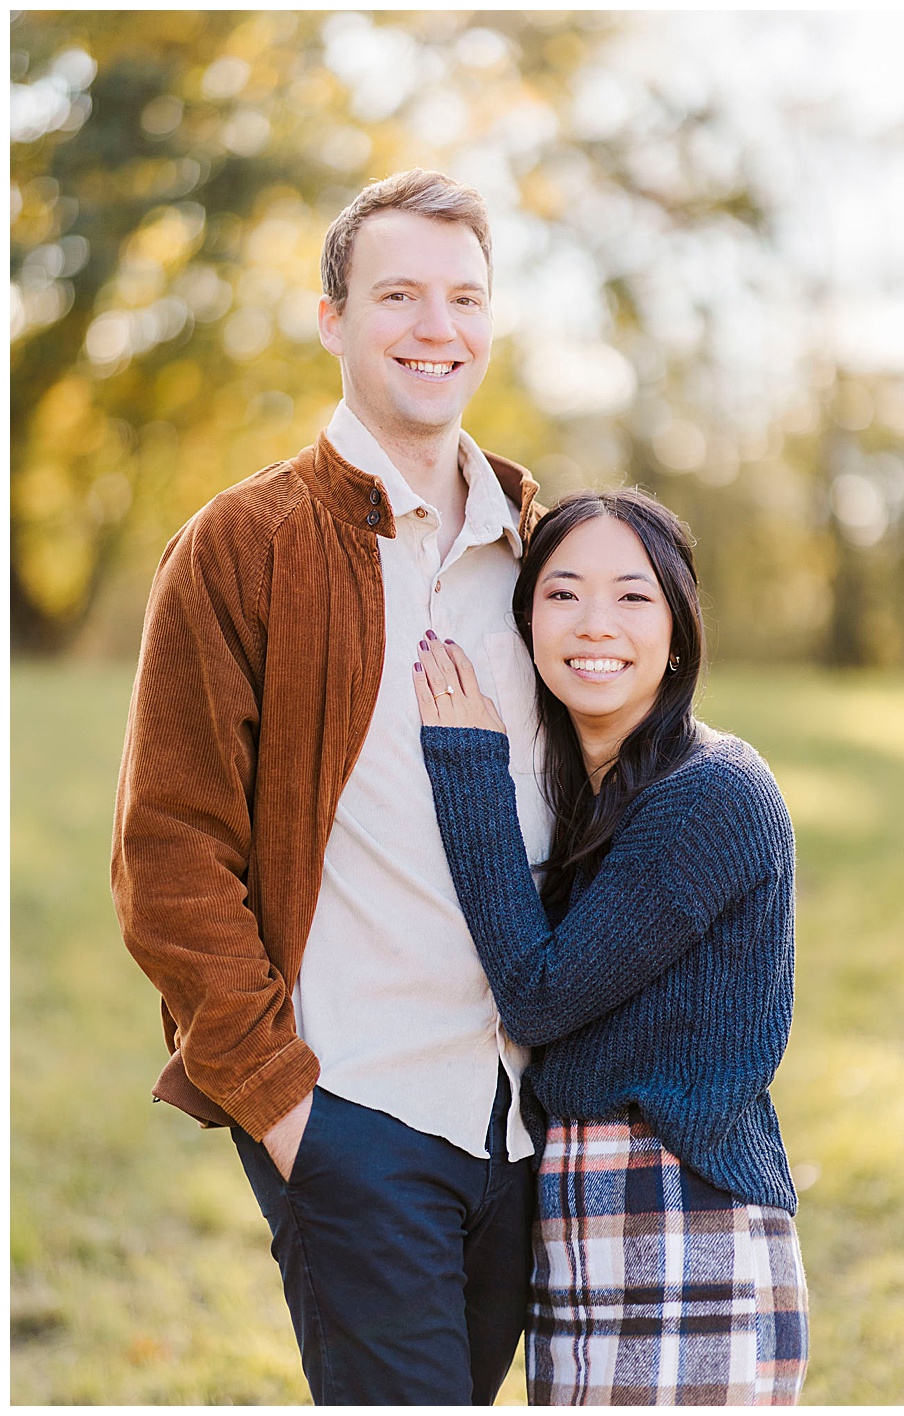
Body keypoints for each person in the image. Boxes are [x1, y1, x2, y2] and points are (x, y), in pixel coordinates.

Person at [111, 170, 547, 1403]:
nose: (436, 328)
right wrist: (288, 1112)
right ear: (332, 320)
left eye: (465, 297)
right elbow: (169, 853)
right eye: (398, 294)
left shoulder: (540, 548)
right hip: (354, 1110)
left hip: (523, 1124)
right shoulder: (243, 546)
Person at [413, 487, 808, 1404]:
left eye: (633, 596)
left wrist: (466, 767)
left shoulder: (713, 792)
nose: (597, 623)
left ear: (678, 630)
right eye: (563, 593)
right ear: (527, 624)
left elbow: (540, 995)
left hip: (681, 1219)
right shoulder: (587, 797)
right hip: (584, 1223)